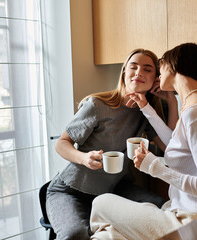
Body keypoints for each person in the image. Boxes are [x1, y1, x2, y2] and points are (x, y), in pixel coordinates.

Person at [89, 43, 197, 240]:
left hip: (191, 223)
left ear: (174, 67)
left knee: (100, 204)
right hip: (188, 214)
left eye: (160, 66)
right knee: (109, 237)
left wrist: (154, 167)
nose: (157, 76)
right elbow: (177, 144)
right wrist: (147, 108)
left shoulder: (195, 114)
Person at [46, 48, 178, 240]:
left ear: (155, 80)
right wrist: (84, 158)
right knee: (74, 235)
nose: (139, 72)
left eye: (147, 69)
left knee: (160, 209)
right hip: (70, 191)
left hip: (114, 188)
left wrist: (172, 101)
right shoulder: (97, 105)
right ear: (124, 72)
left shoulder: (146, 112)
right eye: (133, 67)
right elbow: (61, 143)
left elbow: (171, 147)